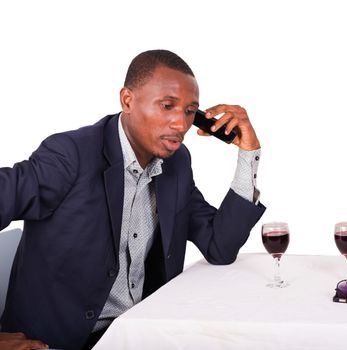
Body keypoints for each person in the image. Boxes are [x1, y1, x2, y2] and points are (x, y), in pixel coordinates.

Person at [0, 49, 266, 350]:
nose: (181, 124)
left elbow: (220, 247)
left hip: (141, 333)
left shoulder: (175, 164)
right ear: (127, 100)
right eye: (167, 106)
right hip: (60, 341)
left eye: (190, 111)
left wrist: (248, 153)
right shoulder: (70, 155)